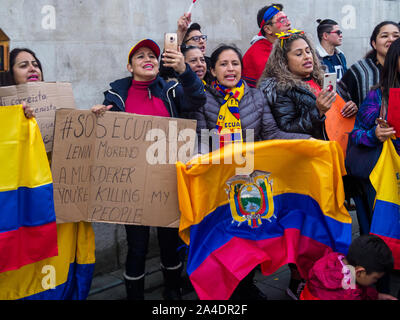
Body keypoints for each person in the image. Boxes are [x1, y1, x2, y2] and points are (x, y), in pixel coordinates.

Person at [190, 44, 311, 300]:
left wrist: (308, 142)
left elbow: (272, 134)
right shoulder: (203, 98)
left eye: (235, 63)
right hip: (219, 182)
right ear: (213, 70)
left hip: (249, 181)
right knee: (225, 239)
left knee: (250, 235)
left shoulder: (255, 96)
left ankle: (246, 286)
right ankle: (233, 290)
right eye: (223, 64)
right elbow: (200, 140)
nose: (230, 69)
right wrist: (200, 157)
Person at [91, 39, 206, 300]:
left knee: (169, 243)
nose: (148, 59)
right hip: (134, 187)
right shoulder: (116, 96)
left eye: (152, 56)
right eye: (140, 56)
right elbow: (106, 137)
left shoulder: (172, 89)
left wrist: (184, 70)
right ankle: (135, 295)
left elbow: (197, 97)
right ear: (129, 66)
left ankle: (173, 291)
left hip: (168, 181)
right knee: (137, 247)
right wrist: (98, 117)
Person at [258, 30, 339, 140]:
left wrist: (346, 108)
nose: (307, 57)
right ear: (284, 62)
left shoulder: (321, 78)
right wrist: (318, 111)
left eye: (308, 51)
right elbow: (287, 130)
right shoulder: (282, 89)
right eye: (299, 54)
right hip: (313, 151)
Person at [301, 235, 397, 300]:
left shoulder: (332, 259)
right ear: (359, 272)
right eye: (375, 279)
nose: (375, 282)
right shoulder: (350, 295)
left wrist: (377, 296)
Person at [338, 21, 400, 107]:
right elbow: (340, 98)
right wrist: (350, 107)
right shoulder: (359, 70)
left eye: (396, 36)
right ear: (374, 44)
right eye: (384, 36)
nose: (391, 39)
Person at [242, 3, 291, 88]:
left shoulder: (279, 46)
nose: (289, 23)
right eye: (282, 21)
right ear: (268, 29)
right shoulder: (258, 52)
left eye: (287, 19)